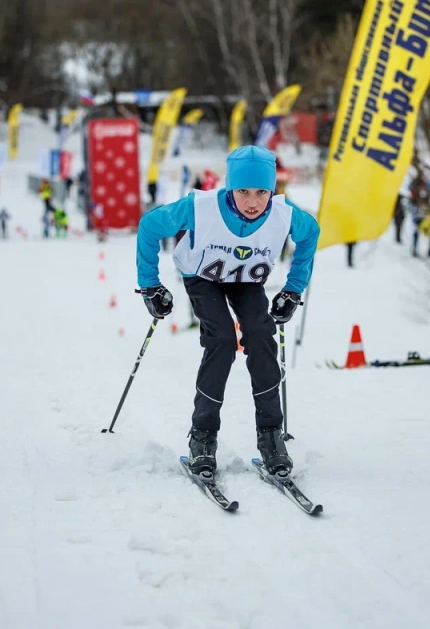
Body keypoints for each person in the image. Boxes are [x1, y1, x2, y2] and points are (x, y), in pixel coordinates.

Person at [136, 145, 320, 476]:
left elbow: (311, 234)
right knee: (221, 340)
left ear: (273, 189)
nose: (253, 201)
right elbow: (150, 226)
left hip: (246, 281)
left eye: (262, 191)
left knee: (261, 333)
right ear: (230, 187)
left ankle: (270, 436)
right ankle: (203, 437)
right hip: (203, 278)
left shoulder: (285, 214)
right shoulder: (199, 207)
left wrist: (293, 290)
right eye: (243, 191)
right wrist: (150, 285)